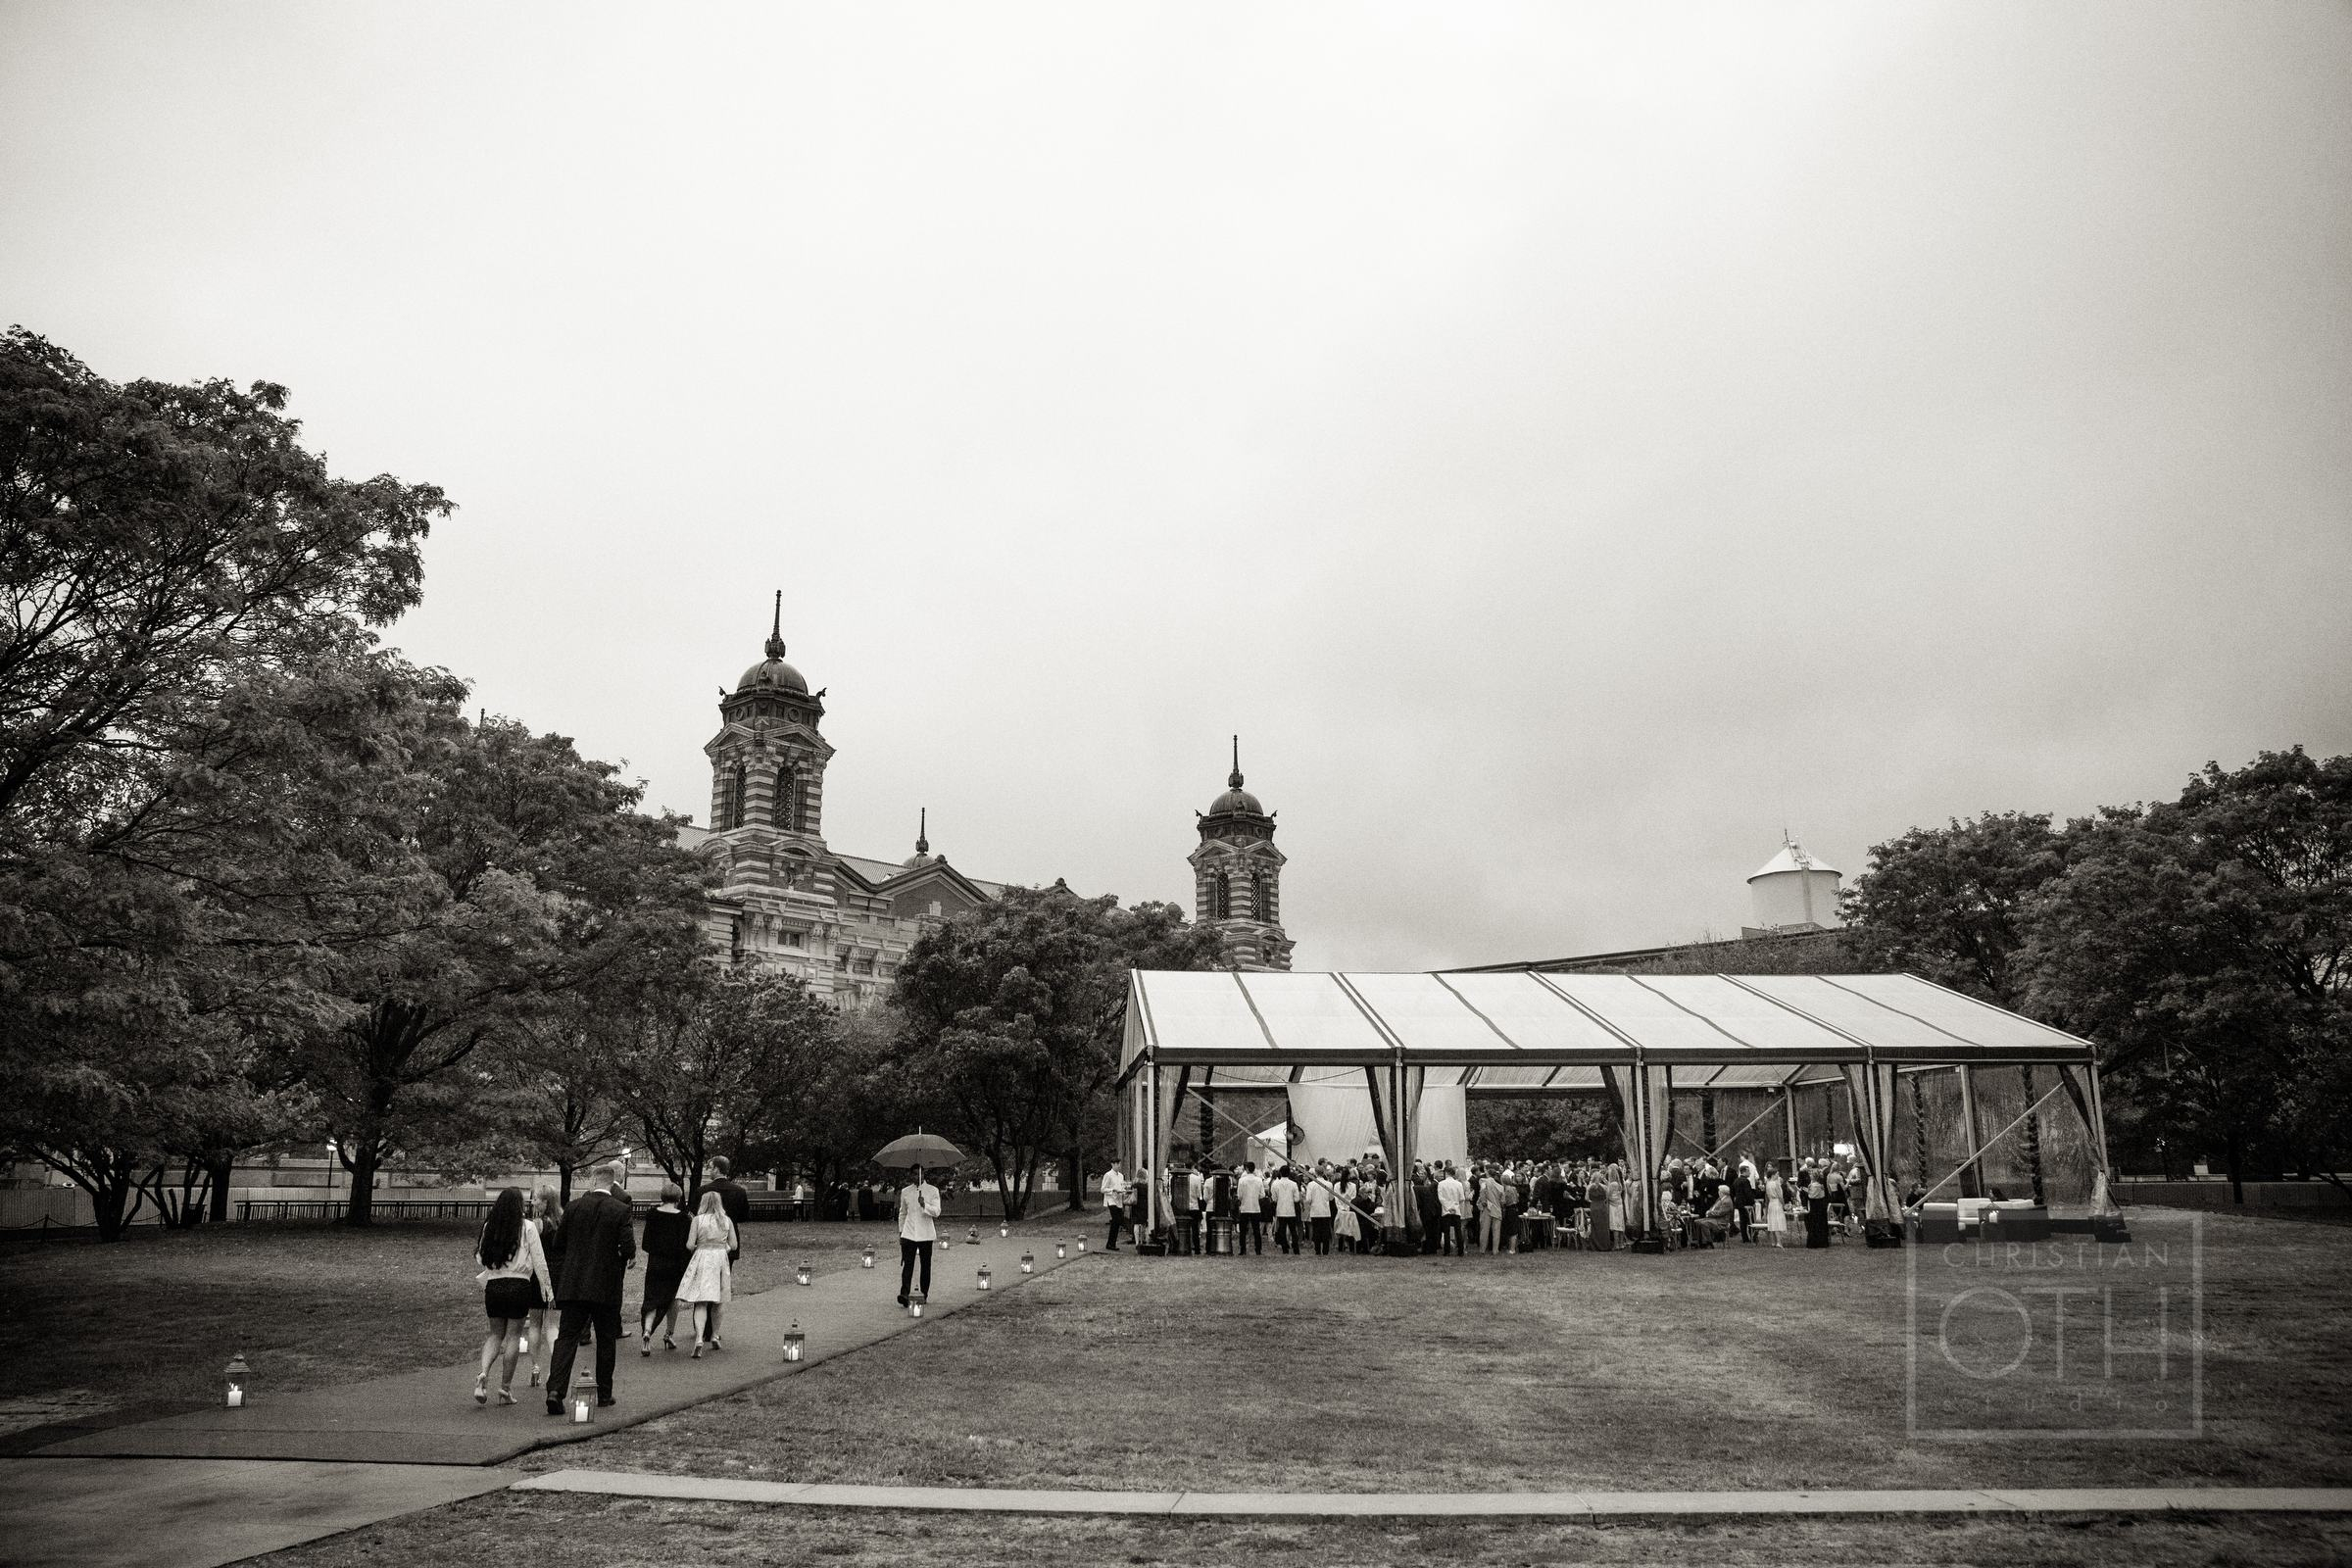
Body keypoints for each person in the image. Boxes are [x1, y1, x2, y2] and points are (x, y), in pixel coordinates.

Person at [545, 1160, 637, 1416]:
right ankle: (604, 1393)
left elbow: (558, 1242)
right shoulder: (620, 1210)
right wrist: (624, 1257)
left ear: (594, 1181)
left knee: (567, 1337)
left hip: (574, 1283)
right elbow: (628, 1247)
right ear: (613, 1181)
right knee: (606, 1339)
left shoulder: (574, 1207)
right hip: (606, 1285)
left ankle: (556, 1390)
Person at [473, 1187, 554, 1406]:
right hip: (519, 1285)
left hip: (494, 1284)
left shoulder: (490, 1226)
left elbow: (481, 1257)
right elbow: (539, 1260)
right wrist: (547, 1290)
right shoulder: (527, 1227)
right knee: (513, 1337)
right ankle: (505, 1388)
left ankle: (483, 1374)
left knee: (495, 1335)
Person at [673, 1190, 737, 1355]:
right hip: (720, 1259)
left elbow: (689, 1244)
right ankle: (715, 1335)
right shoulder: (726, 1220)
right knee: (719, 1300)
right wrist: (723, 1249)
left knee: (701, 1301)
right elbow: (734, 1245)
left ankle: (700, 1337)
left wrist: (700, 1248)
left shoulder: (697, 1220)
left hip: (702, 1257)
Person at [638, 1182, 691, 1353]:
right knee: (672, 1299)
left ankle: (647, 1331)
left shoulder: (652, 1215)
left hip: (655, 1263)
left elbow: (646, 1243)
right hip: (675, 1265)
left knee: (652, 1299)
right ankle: (669, 1334)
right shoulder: (684, 1218)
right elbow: (686, 1246)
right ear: (678, 1197)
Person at [704, 1156, 751, 1346]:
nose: (708, 1170)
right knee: (721, 1285)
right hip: (728, 1242)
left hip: (706, 1241)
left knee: (706, 1283)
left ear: (716, 1169)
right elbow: (745, 1216)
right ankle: (714, 1330)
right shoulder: (739, 1191)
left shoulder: (703, 1191)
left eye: (710, 1167)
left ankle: (703, 1326)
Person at [524, 1186, 562, 1388]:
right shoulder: (563, 1222)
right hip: (558, 1274)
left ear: (547, 1202)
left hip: (538, 1275)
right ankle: (554, 1370)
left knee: (536, 1323)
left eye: (537, 1199)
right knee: (553, 1325)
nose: (533, 1202)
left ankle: (535, 1367)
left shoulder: (536, 1225)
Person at [896, 1163, 941, 1305]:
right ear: (911, 1175)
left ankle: (924, 1293)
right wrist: (901, 1232)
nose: (916, 1176)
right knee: (907, 1264)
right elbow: (902, 1213)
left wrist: (924, 1205)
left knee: (925, 1265)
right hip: (909, 1233)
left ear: (923, 1174)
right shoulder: (906, 1191)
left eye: (919, 1173)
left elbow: (937, 1211)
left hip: (925, 1234)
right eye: (914, 1174)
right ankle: (904, 1293)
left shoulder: (932, 1191)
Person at [1303, 1165, 1338, 1255]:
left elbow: (1308, 1199)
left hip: (1315, 1210)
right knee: (1325, 1231)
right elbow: (1331, 1198)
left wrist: (1311, 1204)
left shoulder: (1311, 1184)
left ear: (1315, 1173)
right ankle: (1325, 1250)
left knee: (1316, 1231)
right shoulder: (1329, 1184)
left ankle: (1317, 1250)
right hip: (1325, 1210)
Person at [1236, 1161, 1266, 1255]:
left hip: (1244, 1207)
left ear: (1247, 1169)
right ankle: (1258, 1249)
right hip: (1255, 1207)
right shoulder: (1259, 1180)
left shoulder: (1242, 1180)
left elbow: (1239, 1195)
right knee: (1256, 1230)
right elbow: (1262, 1195)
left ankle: (1243, 1249)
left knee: (1243, 1230)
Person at [1270, 1164, 1301, 1254]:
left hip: (1280, 1209)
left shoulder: (1275, 1184)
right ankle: (1296, 1249)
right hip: (1291, 1210)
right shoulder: (1293, 1184)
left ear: (1280, 1172)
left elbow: (1274, 1199)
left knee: (1282, 1230)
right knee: (1293, 1230)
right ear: (1289, 1173)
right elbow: (1297, 1199)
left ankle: (1285, 1249)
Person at [1436, 1163, 1466, 1256]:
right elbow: (1462, 1198)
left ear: (1447, 1173)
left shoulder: (1441, 1184)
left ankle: (1447, 1251)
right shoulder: (1459, 1184)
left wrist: (1447, 1207)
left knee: (1446, 1231)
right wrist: (1454, 1205)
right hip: (1456, 1209)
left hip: (1446, 1210)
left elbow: (1440, 1198)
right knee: (1458, 1231)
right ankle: (1461, 1250)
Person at [1101, 1161, 1130, 1250]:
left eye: (1119, 1164)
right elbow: (1103, 1189)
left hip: (1119, 1200)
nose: (1118, 1166)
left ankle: (1112, 1243)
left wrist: (1124, 1191)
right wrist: (1112, 1190)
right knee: (1116, 1219)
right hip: (1111, 1200)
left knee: (1117, 1221)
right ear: (1112, 1164)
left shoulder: (1121, 1176)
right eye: (1116, 1164)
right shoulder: (1108, 1175)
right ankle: (1110, 1243)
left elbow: (1122, 1187)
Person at [1804, 1167, 1833, 1250]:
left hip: (1815, 1208)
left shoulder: (1814, 1186)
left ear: (1813, 1176)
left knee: (1814, 1224)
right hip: (1821, 1207)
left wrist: (1806, 1191)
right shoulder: (1821, 1185)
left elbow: (1811, 1196)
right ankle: (1822, 1242)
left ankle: (1814, 1242)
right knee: (1821, 1224)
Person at [1765, 1168, 1789, 1247]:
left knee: (1773, 1222)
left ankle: (1774, 1242)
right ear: (1773, 1175)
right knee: (1777, 1222)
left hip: (1771, 1203)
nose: (1777, 1176)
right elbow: (1780, 1196)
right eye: (1776, 1174)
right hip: (1776, 1203)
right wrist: (1784, 1205)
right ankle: (1779, 1242)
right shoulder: (1776, 1184)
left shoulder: (1768, 1183)